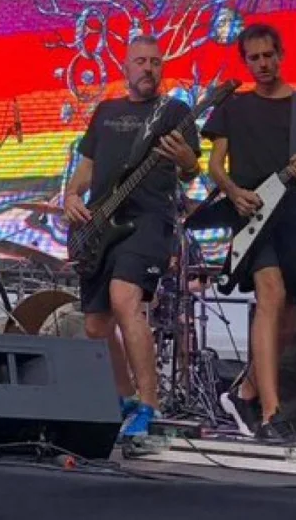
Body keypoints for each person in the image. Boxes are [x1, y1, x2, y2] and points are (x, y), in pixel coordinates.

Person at [63, 35, 201, 440]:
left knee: (125, 298)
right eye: (140, 61)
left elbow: (191, 171)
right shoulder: (106, 111)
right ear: (125, 67)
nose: (148, 68)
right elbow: (86, 167)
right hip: (99, 225)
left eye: (155, 62)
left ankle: (149, 404)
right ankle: (124, 398)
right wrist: (71, 196)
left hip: (147, 222)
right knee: (95, 325)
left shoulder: (174, 112)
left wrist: (186, 160)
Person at [203, 23, 296, 441]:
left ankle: (243, 391)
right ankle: (270, 413)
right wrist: (233, 193)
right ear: (245, 62)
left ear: (281, 55)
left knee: (289, 322)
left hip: (295, 218)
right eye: (254, 58)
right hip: (251, 216)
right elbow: (215, 166)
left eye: (268, 55)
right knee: (270, 295)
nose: (262, 64)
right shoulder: (233, 108)